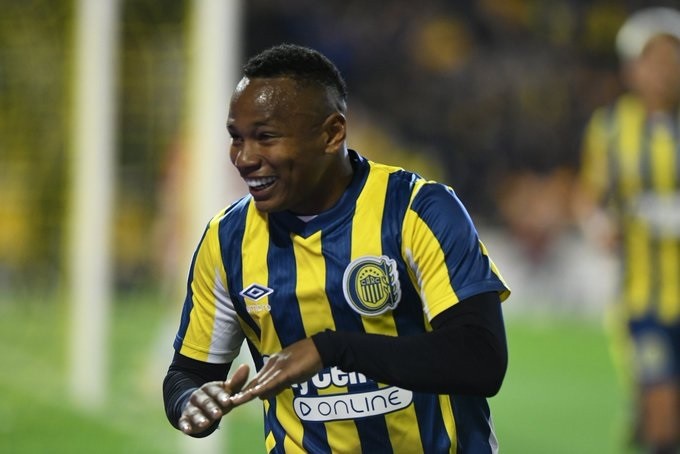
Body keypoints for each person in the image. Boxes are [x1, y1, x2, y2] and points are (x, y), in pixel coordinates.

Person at [162, 43, 511, 453]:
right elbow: (188, 372)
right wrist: (191, 400)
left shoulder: (416, 210)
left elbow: (480, 359)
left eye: (266, 137)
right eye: (236, 138)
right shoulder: (227, 239)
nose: (244, 158)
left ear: (332, 134)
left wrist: (332, 349)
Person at [576, 7, 680, 453]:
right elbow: (588, 196)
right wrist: (597, 225)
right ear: (631, 68)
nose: (664, 70)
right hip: (643, 299)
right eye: (653, 59)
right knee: (663, 412)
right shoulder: (611, 127)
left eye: (672, 58)